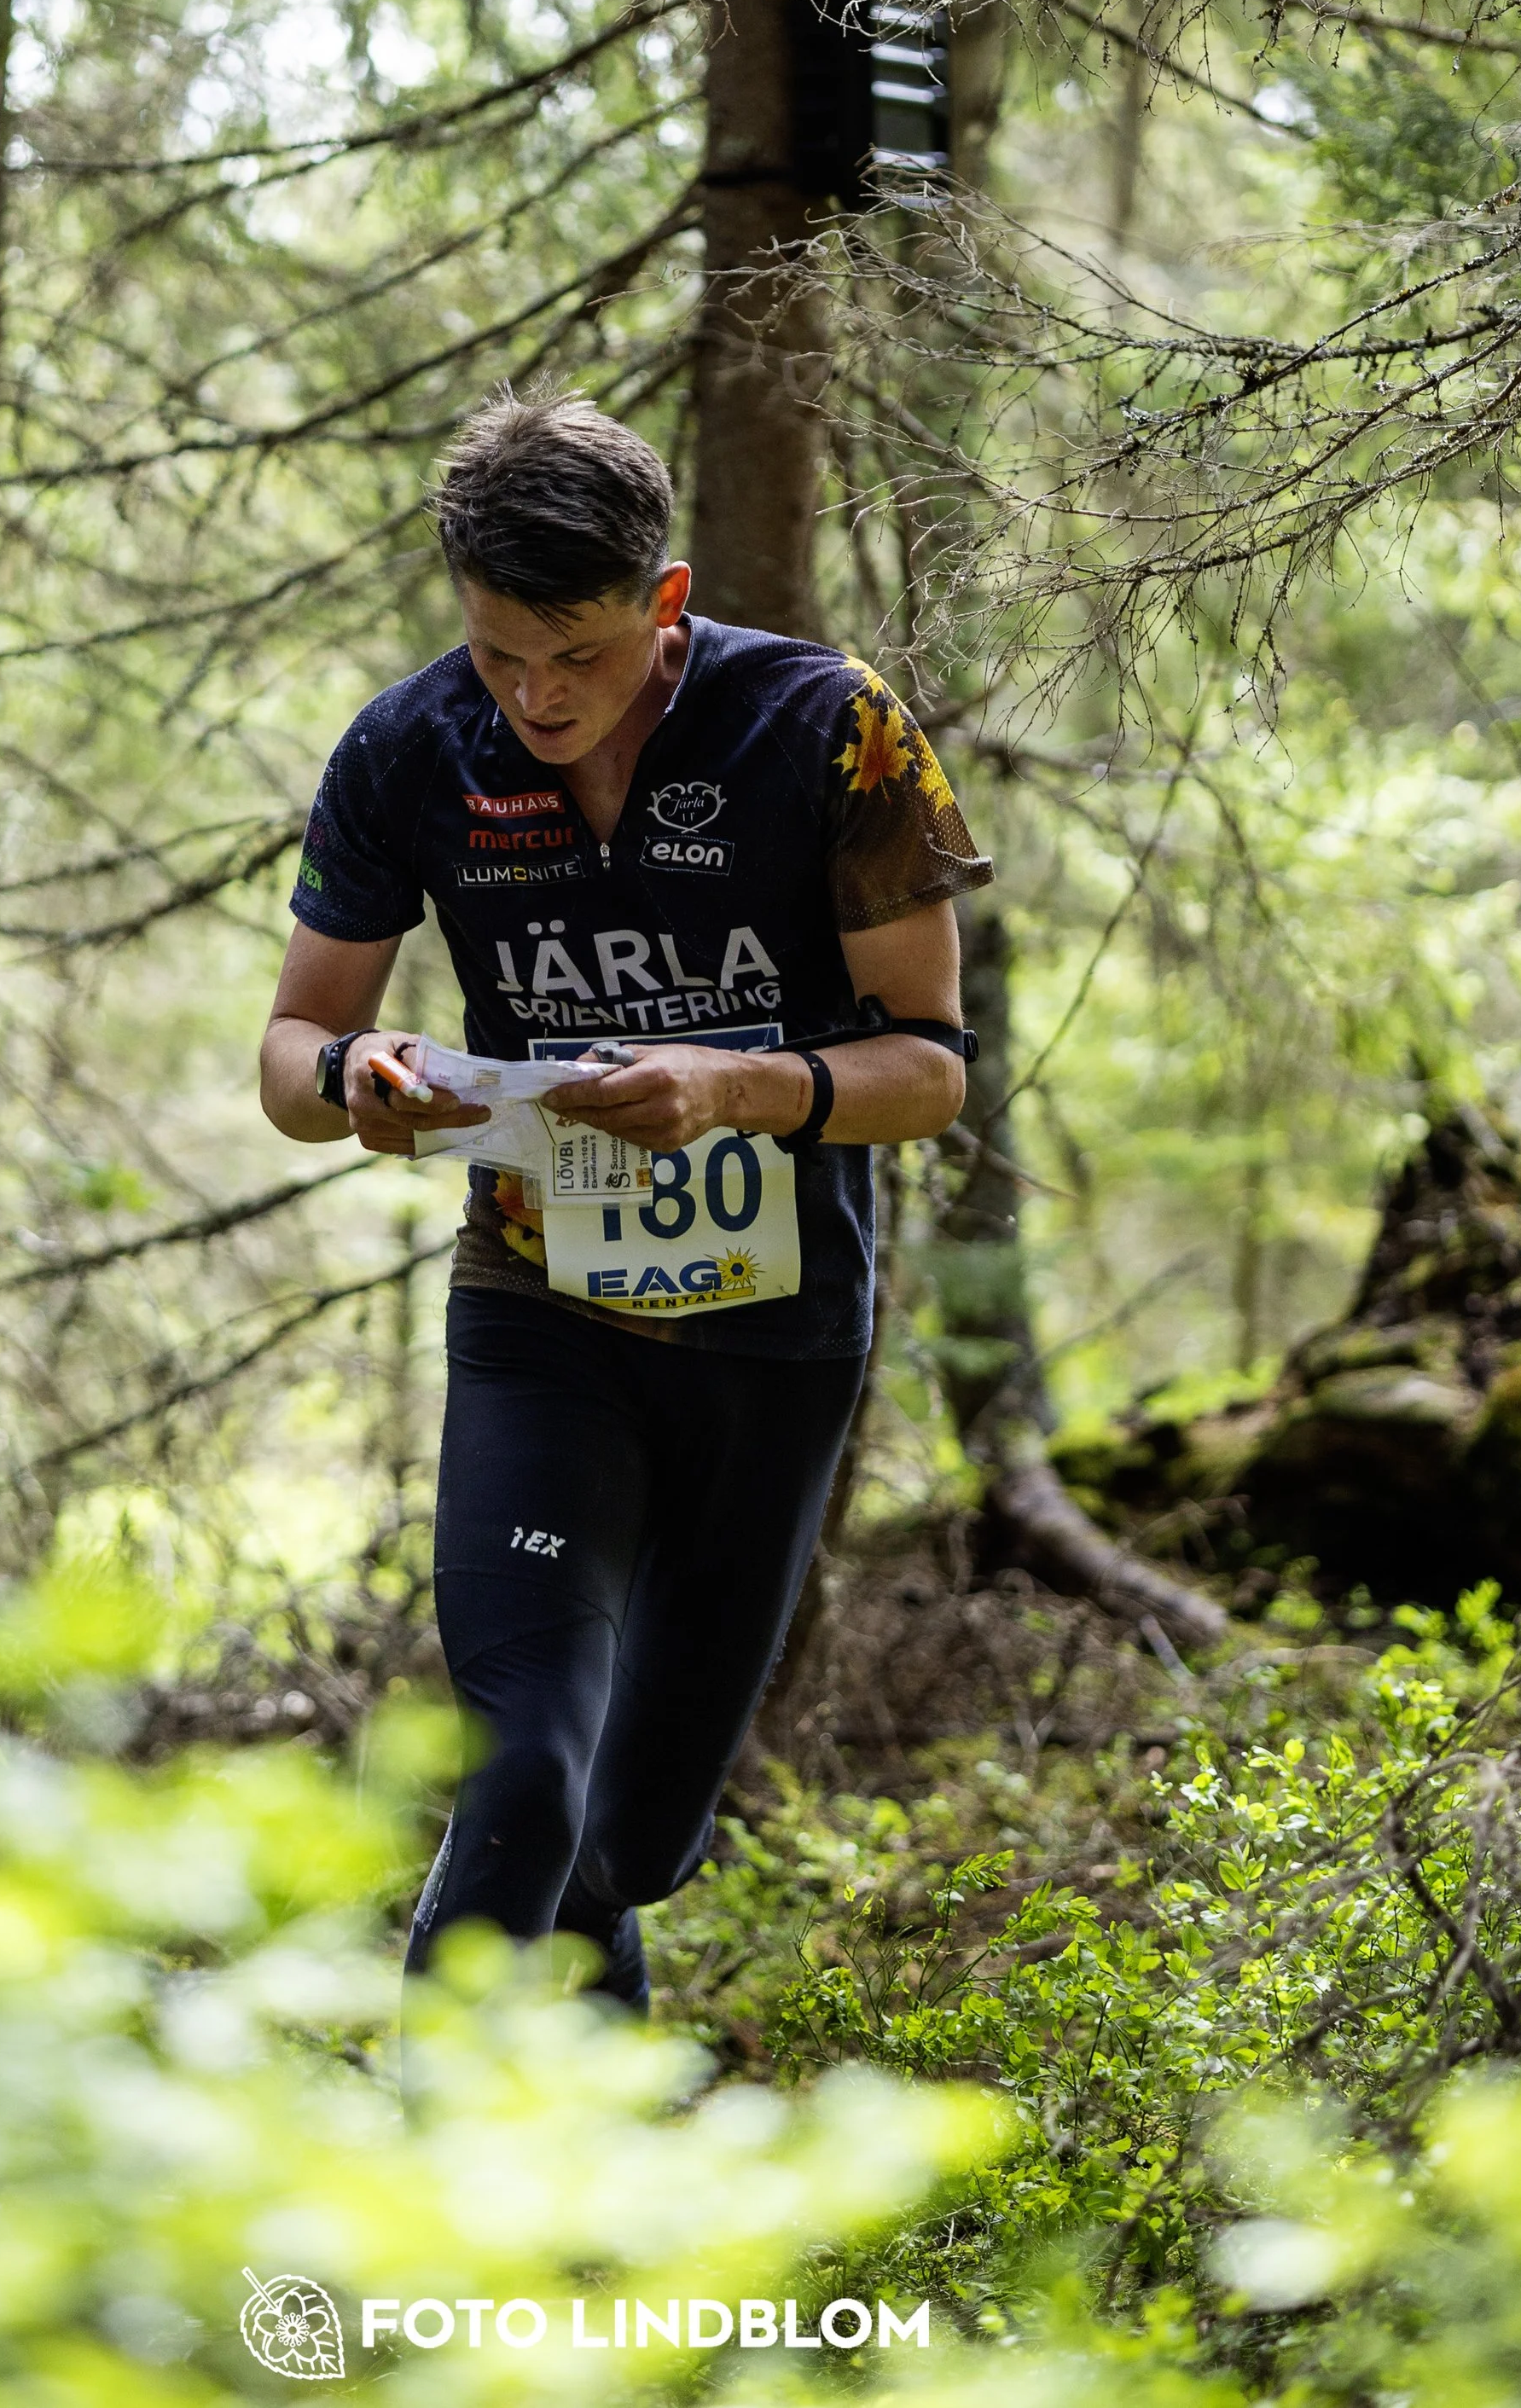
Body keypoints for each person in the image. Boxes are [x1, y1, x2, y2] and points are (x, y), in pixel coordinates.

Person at [258, 388, 994, 2022]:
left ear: (661, 603)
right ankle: (426, 2168)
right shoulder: (409, 747)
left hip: (773, 1334)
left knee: (633, 1839)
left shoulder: (830, 727)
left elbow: (933, 1070)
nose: (535, 695)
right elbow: (292, 1050)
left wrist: (734, 1087)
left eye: (576, 656)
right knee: (522, 1760)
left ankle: (597, 2147)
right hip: (540, 1317)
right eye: (501, 651)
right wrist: (363, 1079)